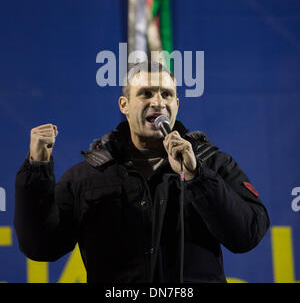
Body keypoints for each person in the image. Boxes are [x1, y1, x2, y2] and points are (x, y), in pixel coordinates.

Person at [14, 61, 270, 283]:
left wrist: (197, 176)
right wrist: (37, 168)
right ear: (124, 105)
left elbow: (246, 235)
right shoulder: (88, 176)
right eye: (146, 93)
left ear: (177, 104)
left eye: (166, 95)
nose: (157, 102)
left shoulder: (211, 164)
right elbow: (41, 247)